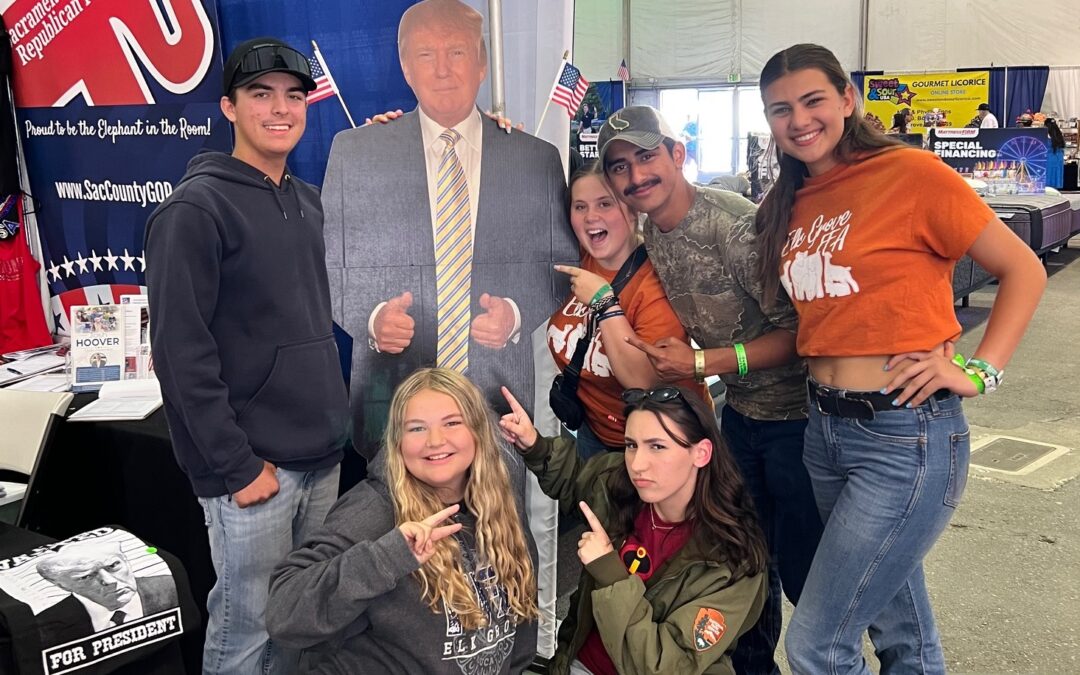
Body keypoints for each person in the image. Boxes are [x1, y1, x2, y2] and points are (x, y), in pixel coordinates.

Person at [756, 43, 1046, 674]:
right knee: (901, 630)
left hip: (903, 435)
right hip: (824, 432)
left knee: (816, 645)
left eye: (812, 100)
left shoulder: (911, 174)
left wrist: (978, 370)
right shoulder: (792, 199)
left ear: (847, 99)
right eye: (780, 109)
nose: (798, 120)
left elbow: (1023, 269)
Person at [144, 37, 350, 674]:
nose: (280, 109)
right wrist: (236, 466)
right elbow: (179, 354)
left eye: (293, 96)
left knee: (301, 627)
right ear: (229, 108)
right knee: (247, 636)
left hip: (321, 458)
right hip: (255, 472)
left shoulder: (309, 201)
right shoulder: (195, 210)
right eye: (261, 95)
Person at [596, 104, 823, 674]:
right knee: (743, 561)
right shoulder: (652, 231)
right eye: (620, 167)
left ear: (677, 154)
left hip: (796, 423)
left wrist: (703, 362)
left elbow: (800, 334)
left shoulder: (733, 226)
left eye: (646, 156)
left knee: (807, 579)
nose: (635, 176)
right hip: (740, 421)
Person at [322, 0, 576, 457]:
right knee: (396, 507)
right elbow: (328, 263)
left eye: (456, 52)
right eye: (426, 55)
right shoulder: (357, 153)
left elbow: (559, 263)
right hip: (393, 400)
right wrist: (373, 319)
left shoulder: (534, 159)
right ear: (405, 68)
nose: (442, 69)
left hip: (498, 402)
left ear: (481, 64)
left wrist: (515, 314)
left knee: (498, 505)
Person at [266, 368, 539, 673]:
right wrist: (387, 557)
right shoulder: (373, 509)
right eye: (416, 428)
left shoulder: (499, 502)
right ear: (397, 442)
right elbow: (284, 614)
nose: (435, 440)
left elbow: (519, 631)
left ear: (478, 430)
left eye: (452, 423)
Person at [498, 384, 767, 675]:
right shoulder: (620, 483)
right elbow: (577, 478)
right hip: (579, 663)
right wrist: (534, 444)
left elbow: (663, 667)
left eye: (657, 446)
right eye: (631, 445)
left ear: (701, 453)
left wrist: (609, 572)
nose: (637, 464)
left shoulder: (733, 561)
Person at [549, 161, 702, 457]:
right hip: (593, 433)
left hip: (658, 442)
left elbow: (642, 381)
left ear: (633, 211)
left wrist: (604, 303)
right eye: (580, 207)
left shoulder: (657, 280)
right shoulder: (576, 258)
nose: (591, 216)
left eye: (605, 204)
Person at [36, 541, 178, 636]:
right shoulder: (46, 626)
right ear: (62, 585)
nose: (110, 581)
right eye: (86, 577)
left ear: (125, 560)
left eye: (113, 566)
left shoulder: (170, 587)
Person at [1044, 117, 1066, 189]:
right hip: (1059, 157)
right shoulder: (1059, 135)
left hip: (1050, 157)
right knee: (1057, 174)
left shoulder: (1046, 137)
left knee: (1050, 175)